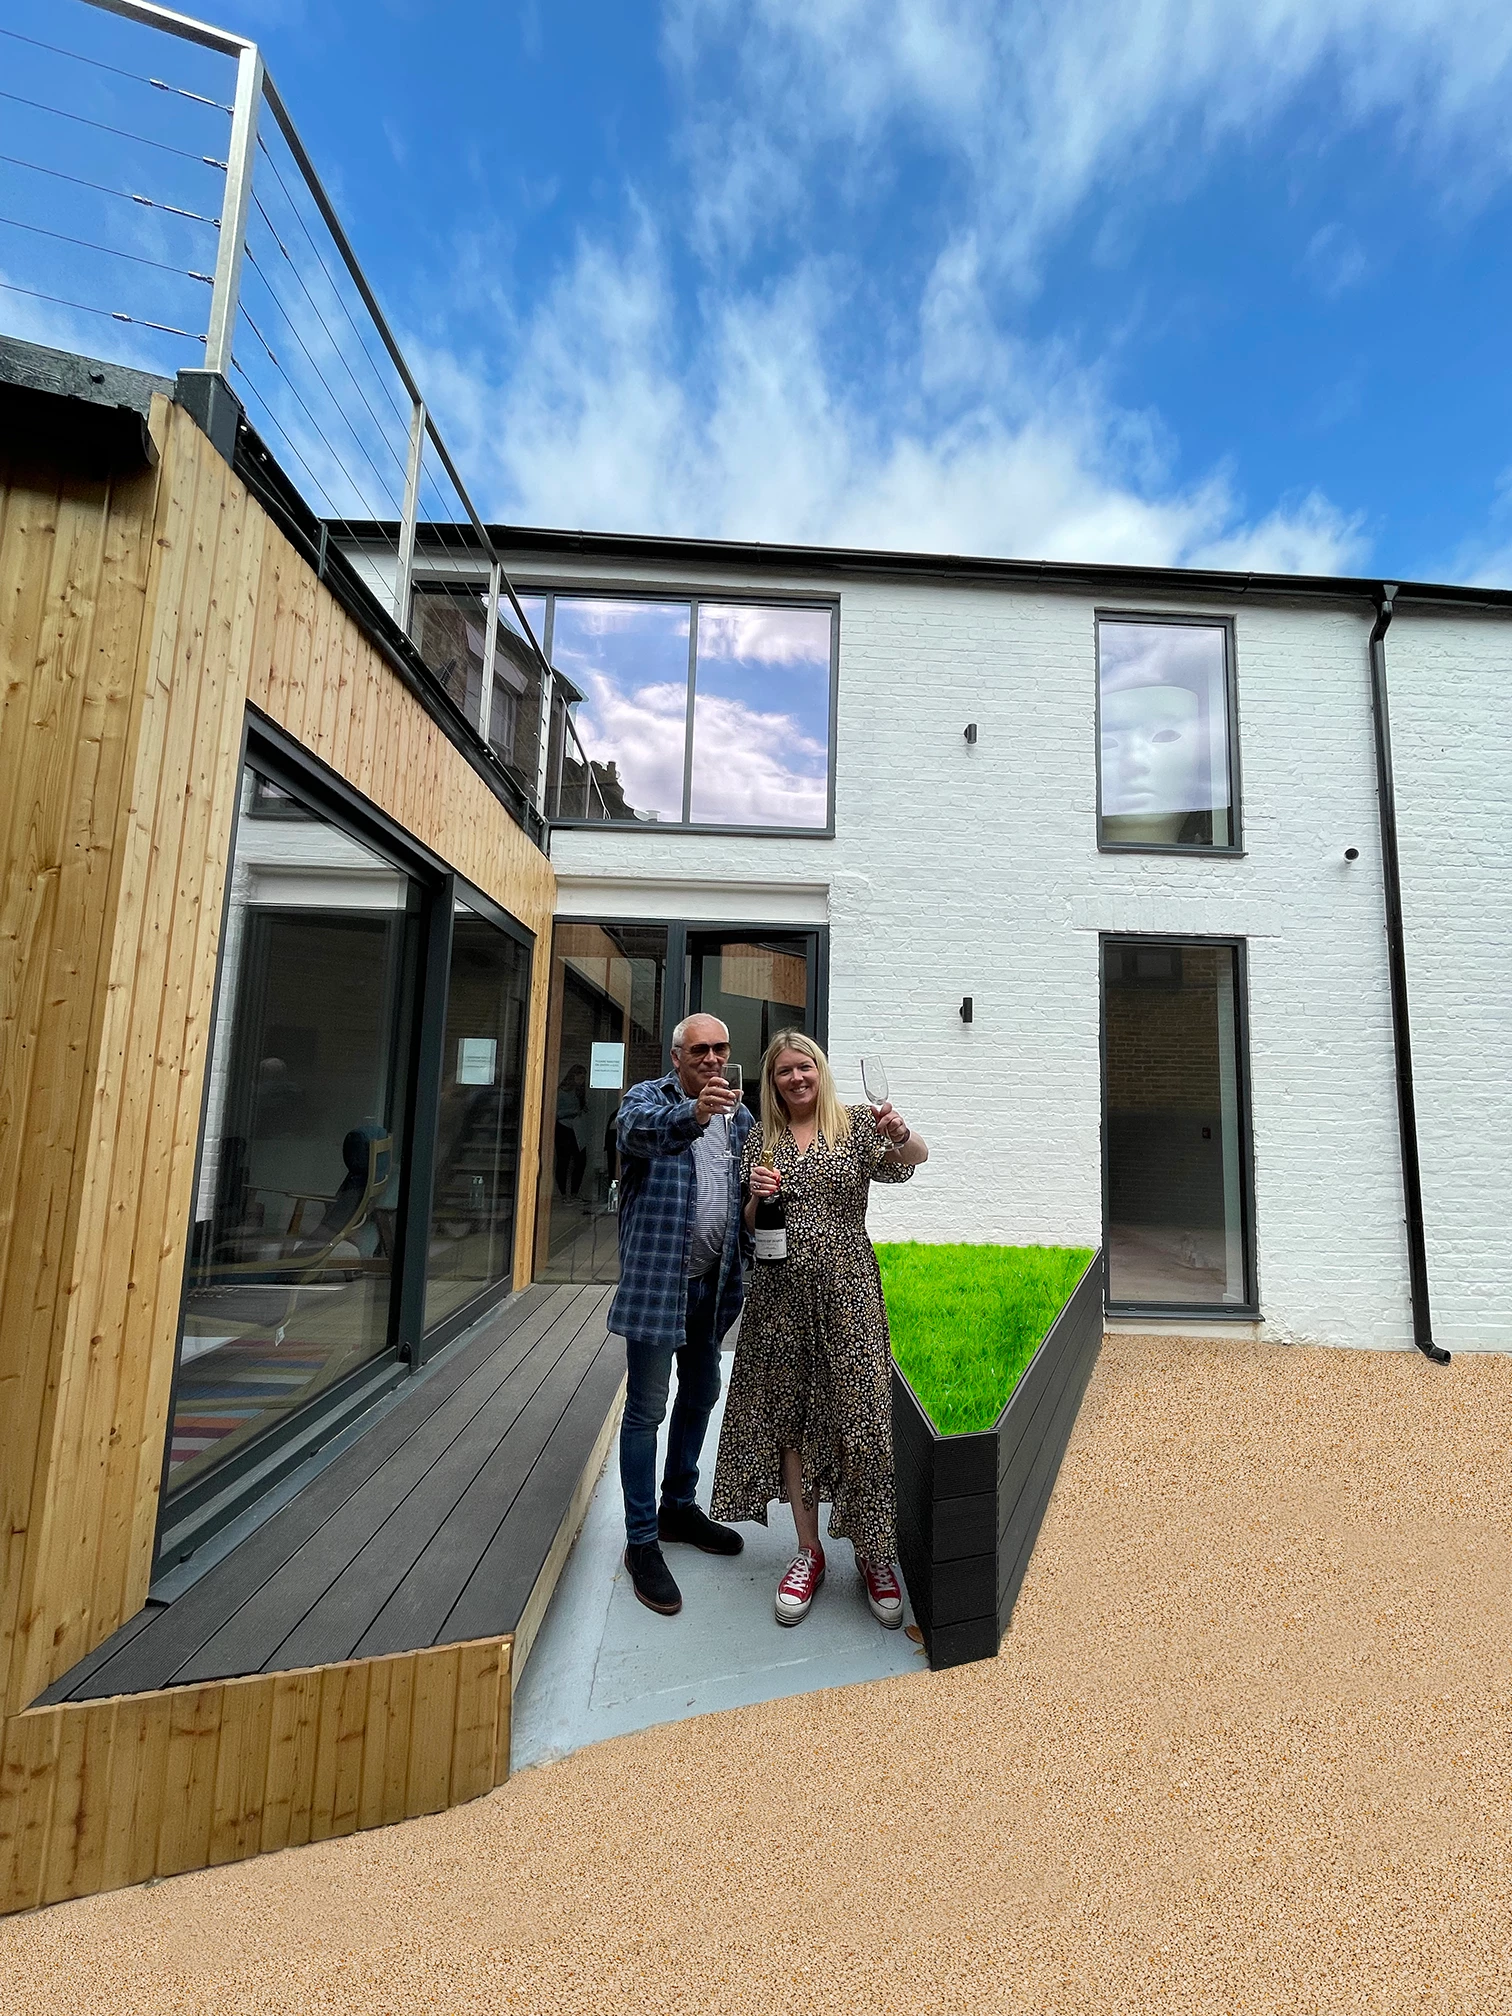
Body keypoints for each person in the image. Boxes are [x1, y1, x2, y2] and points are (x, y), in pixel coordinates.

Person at [711, 1030, 927, 1630]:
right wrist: (755, 1198)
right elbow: (753, 1223)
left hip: (849, 1289)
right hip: (780, 1295)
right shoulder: (763, 1136)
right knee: (790, 1421)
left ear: (820, 1071)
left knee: (861, 1415)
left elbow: (915, 1162)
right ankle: (809, 1553)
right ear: (772, 1080)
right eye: (784, 1071)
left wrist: (902, 1133)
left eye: (804, 1067)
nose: (796, 1078)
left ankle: (874, 1553)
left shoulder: (856, 1125)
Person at [609, 1012, 752, 1616]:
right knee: (646, 1410)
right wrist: (693, 1115)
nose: (713, 1060)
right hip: (659, 1283)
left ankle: (678, 1509)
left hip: (714, 1288)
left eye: (721, 1049)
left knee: (699, 1395)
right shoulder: (650, 1099)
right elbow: (634, 1134)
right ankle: (641, 1542)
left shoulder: (741, 1118)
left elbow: (739, 1193)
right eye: (701, 1051)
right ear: (677, 1057)